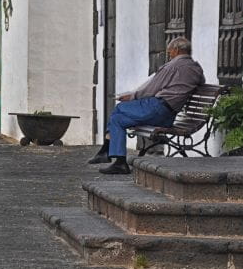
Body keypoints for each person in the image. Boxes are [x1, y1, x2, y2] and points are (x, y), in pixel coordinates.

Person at [88, 37, 206, 174]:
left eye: (170, 52)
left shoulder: (172, 66)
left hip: (157, 107)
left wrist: (132, 96)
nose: (169, 55)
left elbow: (151, 88)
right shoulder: (196, 68)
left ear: (177, 50)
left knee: (119, 108)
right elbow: (201, 82)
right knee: (117, 120)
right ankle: (119, 162)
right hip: (168, 116)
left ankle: (106, 151)